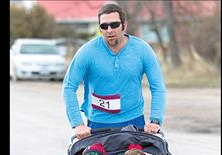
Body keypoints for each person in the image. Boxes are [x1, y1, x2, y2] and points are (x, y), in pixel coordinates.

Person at [62, 3, 166, 140]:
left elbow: (157, 86)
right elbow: (69, 87)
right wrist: (77, 124)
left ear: (124, 25)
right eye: (104, 26)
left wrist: (155, 120)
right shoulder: (87, 52)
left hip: (133, 122)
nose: (109, 30)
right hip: (97, 124)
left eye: (114, 25)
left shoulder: (142, 50)